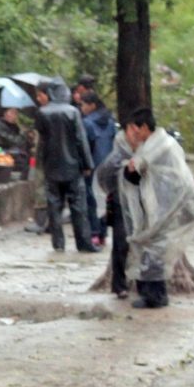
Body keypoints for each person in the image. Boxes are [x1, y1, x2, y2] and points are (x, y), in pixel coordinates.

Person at [118, 108, 194, 309]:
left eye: (135, 130)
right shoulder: (151, 145)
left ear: (145, 127)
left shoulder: (161, 145)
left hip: (170, 205)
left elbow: (154, 171)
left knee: (157, 248)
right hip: (157, 205)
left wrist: (134, 167)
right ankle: (149, 293)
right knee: (149, 247)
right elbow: (137, 174)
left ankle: (156, 296)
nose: (133, 135)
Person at [34, 80, 99, 253]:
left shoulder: (42, 113)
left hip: (51, 167)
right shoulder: (73, 112)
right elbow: (80, 140)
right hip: (72, 167)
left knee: (54, 207)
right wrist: (87, 164)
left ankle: (58, 244)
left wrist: (40, 163)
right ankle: (84, 243)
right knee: (79, 207)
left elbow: (42, 141)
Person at [94, 130, 134, 299]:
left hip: (140, 203)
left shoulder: (148, 153)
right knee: (121, 242)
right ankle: (119, 285)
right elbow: (104, 178)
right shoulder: (116, 158)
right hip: (120, 204)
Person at [80, 92, 117, 246]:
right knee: (105, 199)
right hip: (108, 164)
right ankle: (102, 233)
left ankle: (94, 232)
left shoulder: (87, 123)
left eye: (83, 104)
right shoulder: (110, 121)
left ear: (92, 105)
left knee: (91, 200)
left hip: (93, 166)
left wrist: (85, 164)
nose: (81, 108)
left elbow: (86, 145)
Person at [0, 108, 34, 174]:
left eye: (16, 113)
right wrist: (24, 133)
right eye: (12, 113)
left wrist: (29, 136)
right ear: (5, 113)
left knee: (26, 155)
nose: (14, 115)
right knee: (19, 157)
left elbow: (23, 141)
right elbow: (11, 140)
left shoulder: (15, 126)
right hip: (0, 149)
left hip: (13, 150)